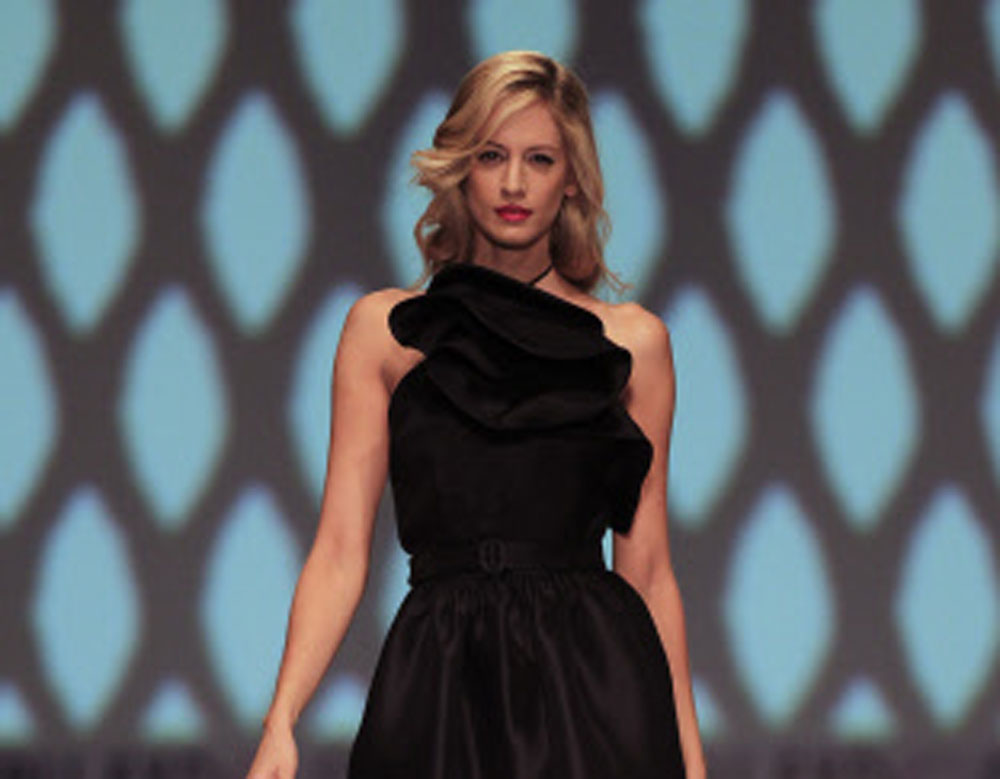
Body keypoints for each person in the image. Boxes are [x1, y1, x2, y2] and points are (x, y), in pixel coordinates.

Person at [246, 50, 706, 779]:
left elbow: (648, 570)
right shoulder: (386, 332)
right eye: (492, 155)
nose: (515, 183)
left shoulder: (634, 344)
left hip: (594, 688)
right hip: (439, 679)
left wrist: (691, 762)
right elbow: (340, 547)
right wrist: (282, 719)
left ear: (573, 179)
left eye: (540, 158)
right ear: (461, 165)